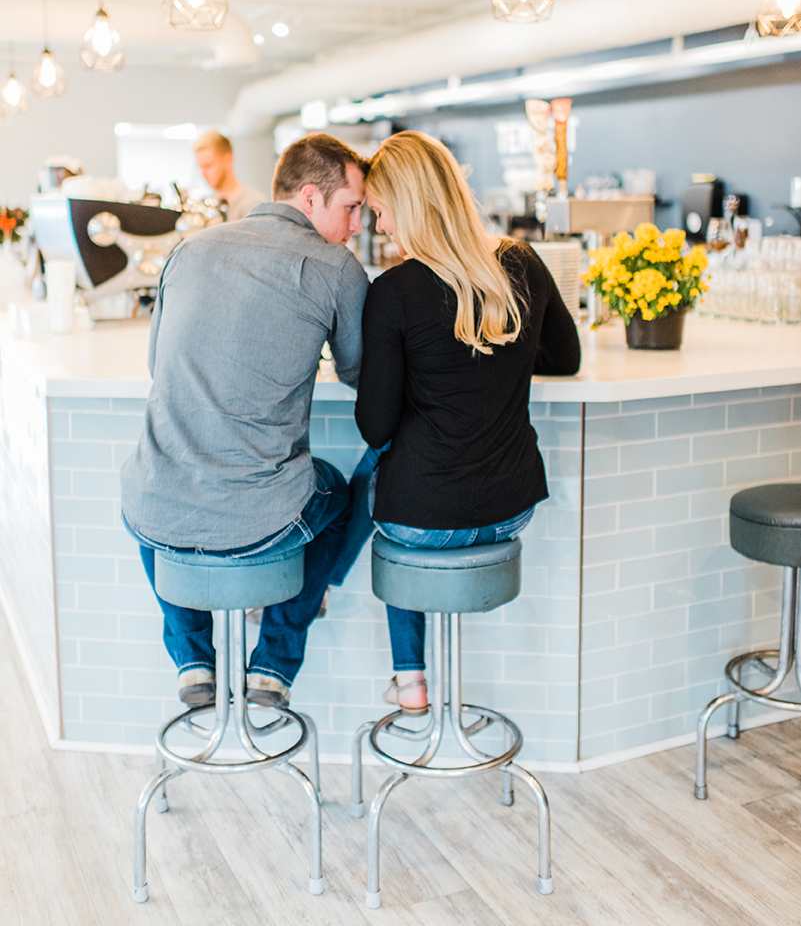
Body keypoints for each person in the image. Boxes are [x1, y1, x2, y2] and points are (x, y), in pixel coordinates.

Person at [121, 133, 375, 711]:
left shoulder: (189, 248)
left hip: (151, 514)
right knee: (338, 494)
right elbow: (363, 378)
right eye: (351, 207)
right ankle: (274, 663)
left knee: (155, 495)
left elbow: (155, 363)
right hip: (264, 525)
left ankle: (192, 659)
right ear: (310, 198)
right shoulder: (336, 267)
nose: (357, 224)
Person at [354, 132, 581, 714]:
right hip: (512, 508)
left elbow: (374, 428)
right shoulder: (520, 262)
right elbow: (567, 357)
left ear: (407, 204)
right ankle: (411, 678)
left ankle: (411, 680)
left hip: (424, 525)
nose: (379, 228)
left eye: (380, 212)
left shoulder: (393, 292)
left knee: (373, 475)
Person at [193, 130, 265, 221]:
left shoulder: (253, 205)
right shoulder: (205, 207)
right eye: (199, 167)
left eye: (208, 165)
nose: (202, 173)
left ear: (228, 160)